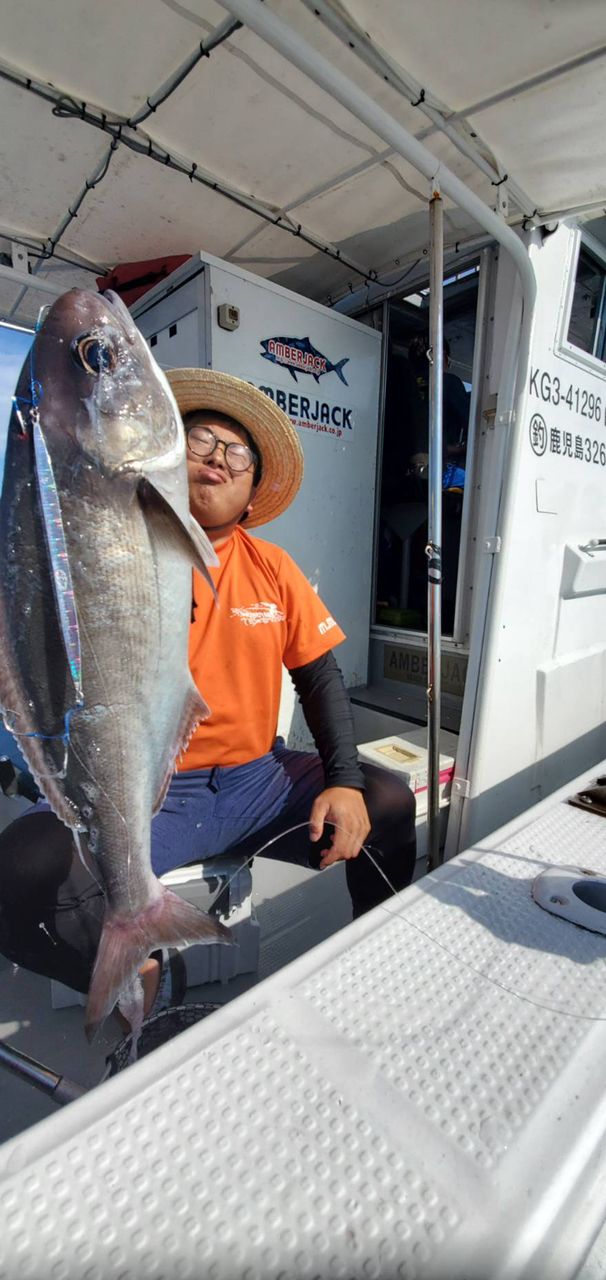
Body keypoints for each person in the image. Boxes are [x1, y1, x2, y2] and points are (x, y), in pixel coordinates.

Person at [0, 370, 416, 1019]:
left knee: (387, 798)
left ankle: (374, 949)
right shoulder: (120, 550)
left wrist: (340, 778)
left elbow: (319, 676)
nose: (219, 455)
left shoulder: (274, 568)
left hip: (260, 780)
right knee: (19, 871)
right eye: (200, 441)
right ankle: (145, 972)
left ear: (252, 494)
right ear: (167, 463)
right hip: (150, 795)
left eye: (238, 452)